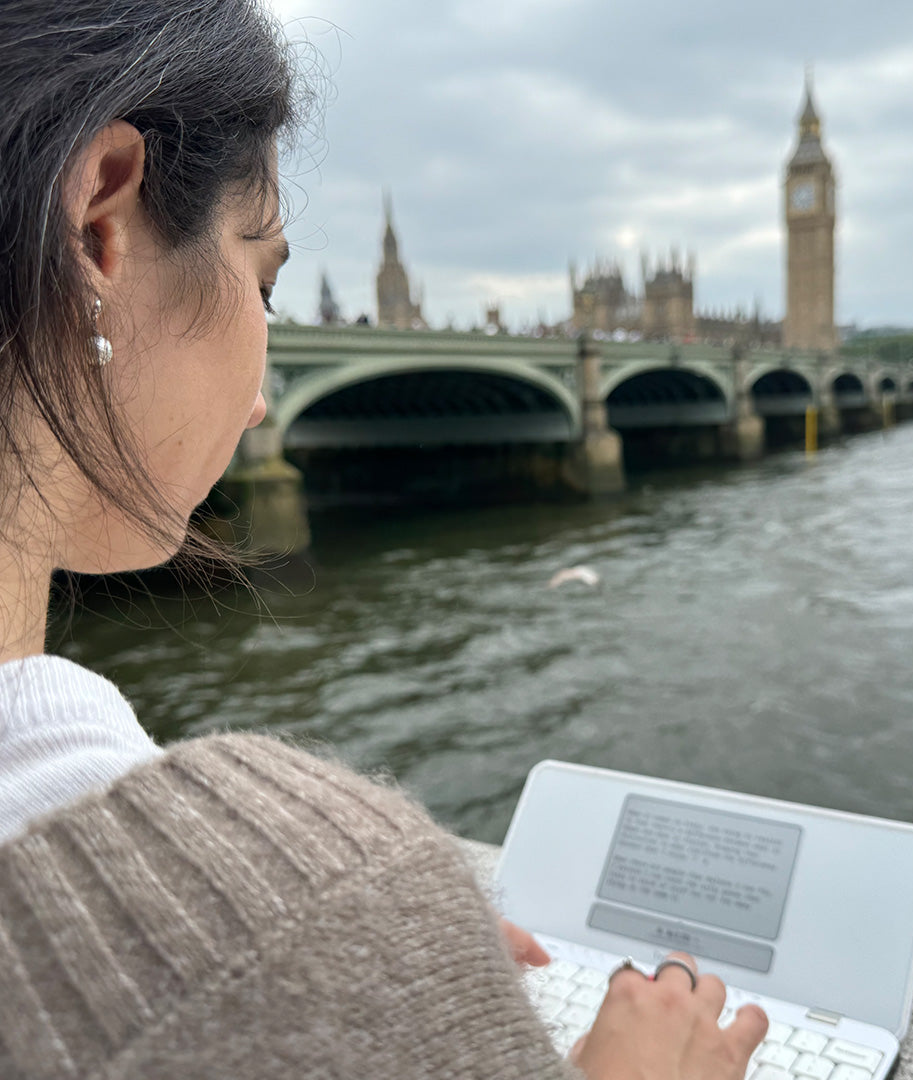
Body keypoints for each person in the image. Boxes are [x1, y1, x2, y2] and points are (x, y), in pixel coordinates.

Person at [0, 2, 768, 1077]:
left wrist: (360, 953)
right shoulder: (309, 885)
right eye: (261, 278)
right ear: (100, 224)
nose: (264, 402)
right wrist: (347, 938)